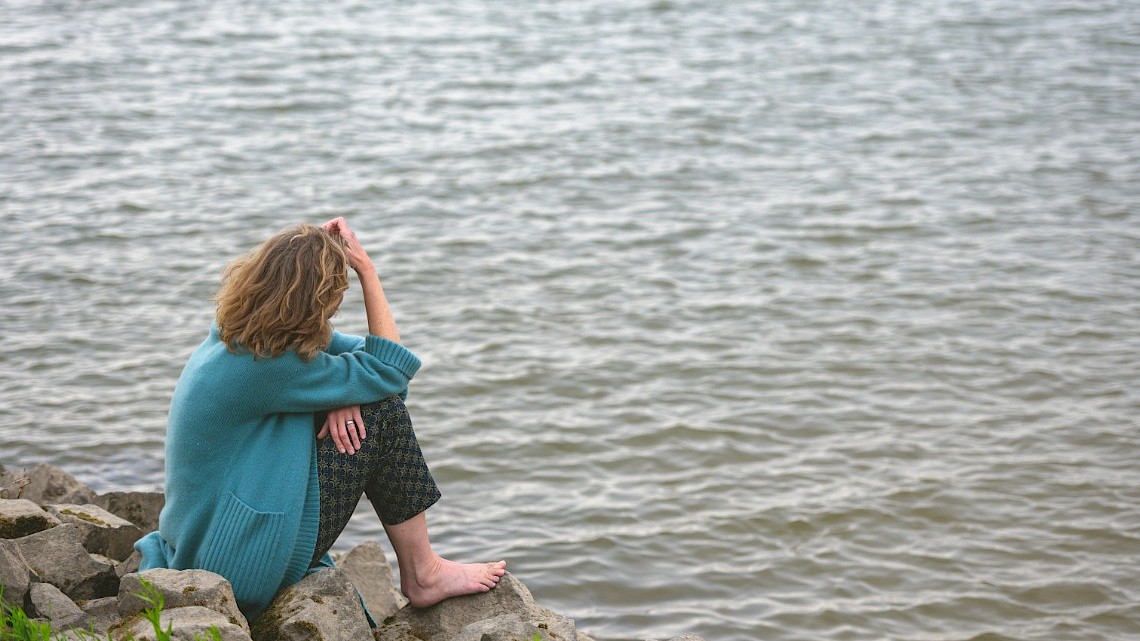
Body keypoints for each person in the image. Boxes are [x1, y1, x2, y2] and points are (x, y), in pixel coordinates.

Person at [134, 217, 506, 622]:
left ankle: (424, 570)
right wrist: (368, 271)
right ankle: (423, 573)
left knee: (373, 398)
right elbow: (392, 372)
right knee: (382, 414)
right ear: (315, 303)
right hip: (235, 561)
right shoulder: (269, 365)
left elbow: (381, 368)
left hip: (205, 539)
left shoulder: (242, 331)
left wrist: (345, 390)